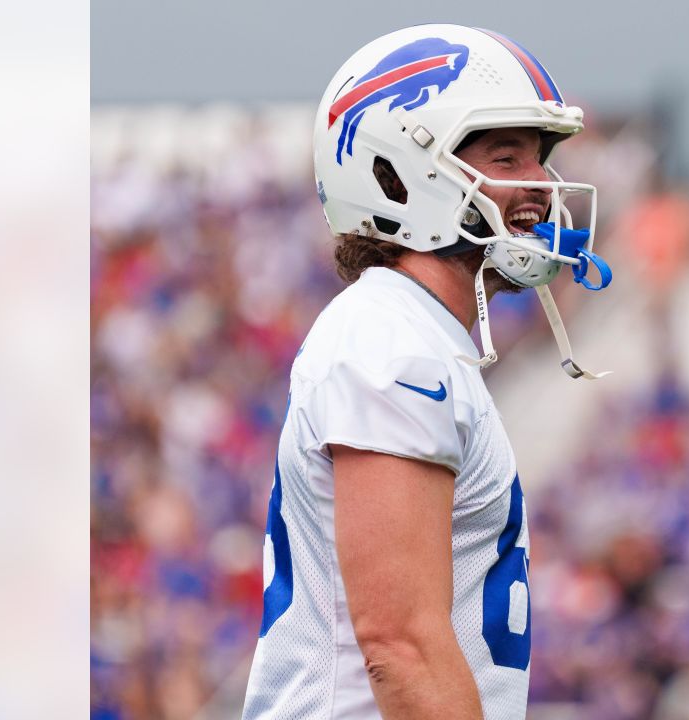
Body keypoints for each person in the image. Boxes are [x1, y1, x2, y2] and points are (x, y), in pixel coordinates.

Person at [241, 24, 611, 719]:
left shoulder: (418, 336)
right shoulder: (392, 341)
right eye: (507, 157)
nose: (540, 185)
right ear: (398, 172)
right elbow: (399, 646)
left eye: (538, 160)